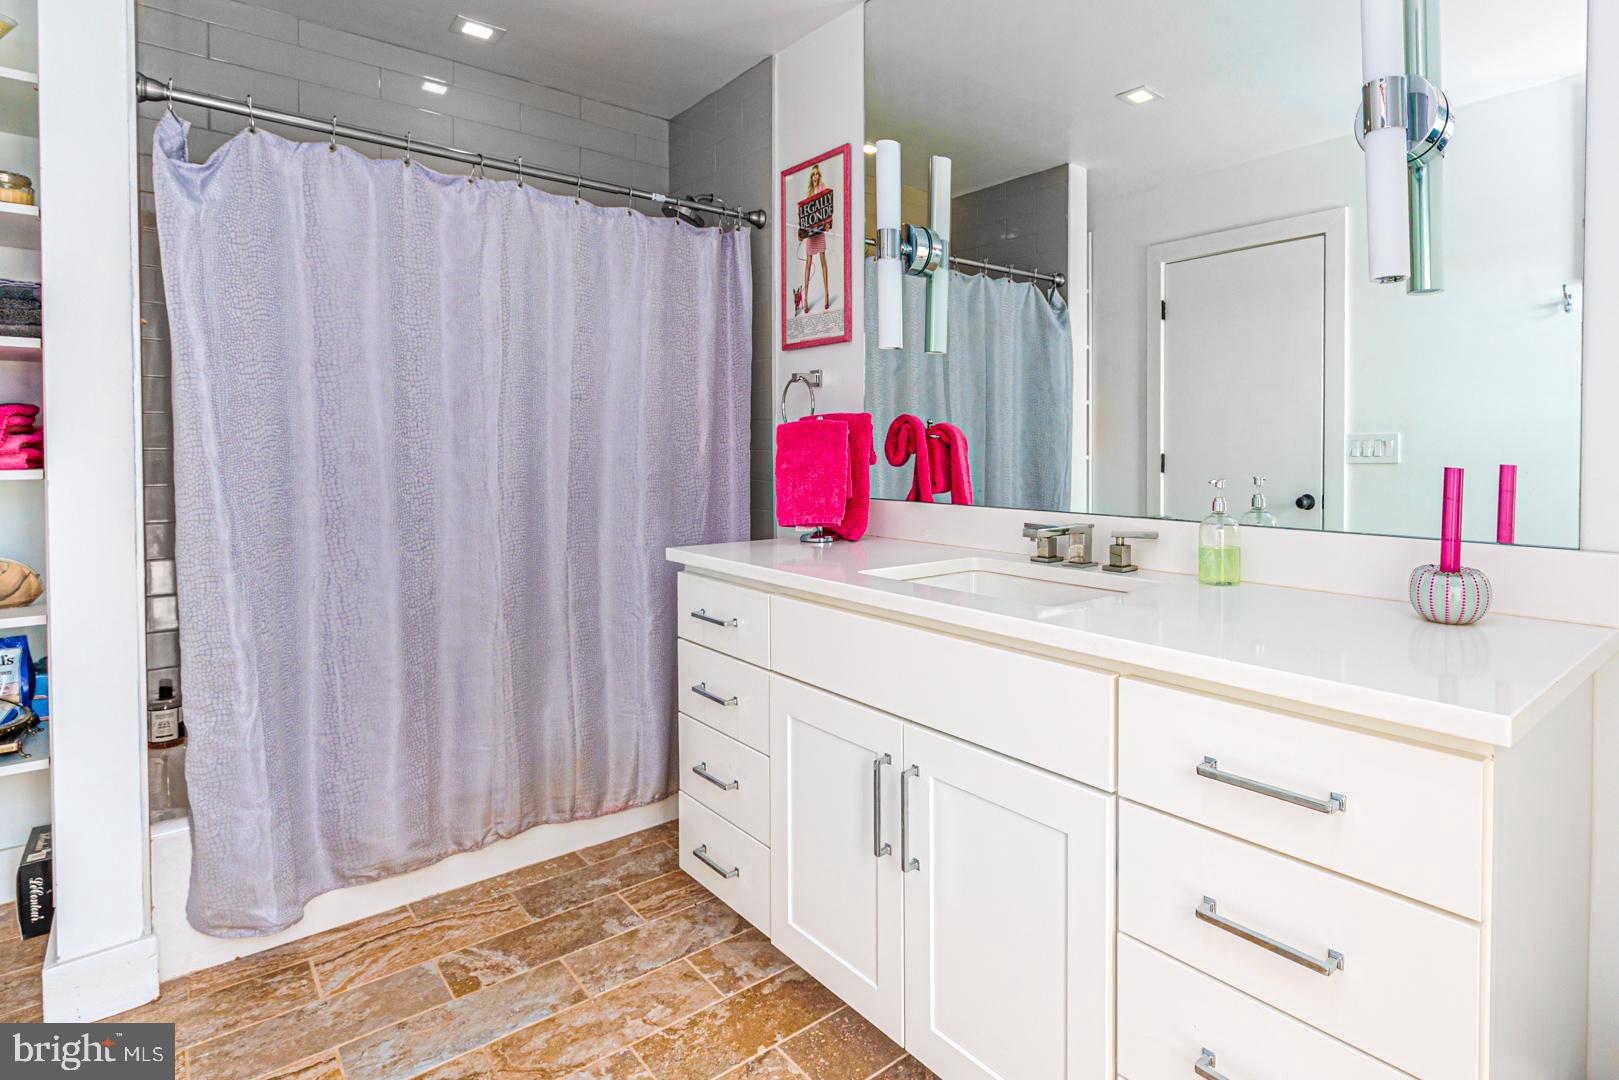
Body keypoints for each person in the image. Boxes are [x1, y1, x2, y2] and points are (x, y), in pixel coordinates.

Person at [797, 164, 833, 314]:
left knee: (823, 261)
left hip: (819, 230)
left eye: (817, 174)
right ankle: (805, 298)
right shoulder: (809, 193)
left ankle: (826, 294)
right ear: (811, 177)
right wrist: (802, 232)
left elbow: (826, 207)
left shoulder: (822, 188)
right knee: (808, 262)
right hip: (811, 231)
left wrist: (826, 224)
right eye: (813, 175)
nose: (815, 177)